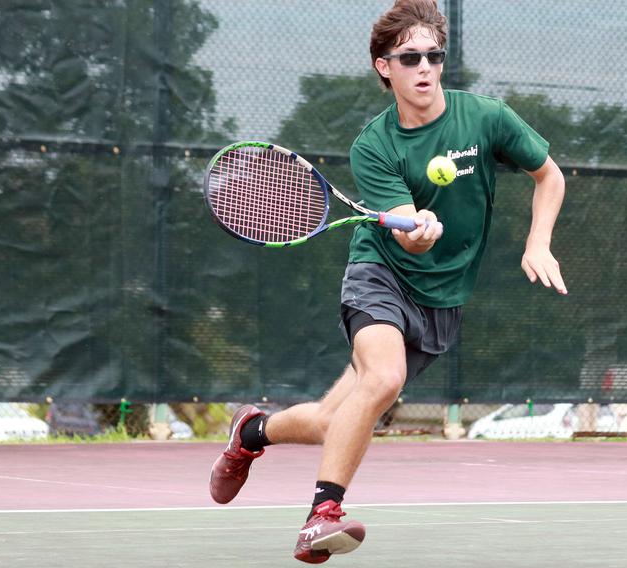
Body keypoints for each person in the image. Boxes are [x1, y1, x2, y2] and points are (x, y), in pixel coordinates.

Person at [208, 0, 567, 563]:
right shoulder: (374, 146)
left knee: (336, 419)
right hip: (380, 274)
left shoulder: (487, 117)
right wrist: (418, 231)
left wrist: (538, 240)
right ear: (384, 67)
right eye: (410, 58)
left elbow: (549, 175)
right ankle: (321, 517)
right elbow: (406, 237)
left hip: (442, 297)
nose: (425, 67)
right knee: (383, 377)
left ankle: (251, 432)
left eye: (434, 55)